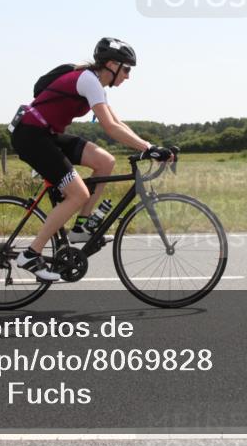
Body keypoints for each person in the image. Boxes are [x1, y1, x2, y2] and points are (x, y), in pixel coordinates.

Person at [10, 38, 173, 281]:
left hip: (48, 134)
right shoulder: (88, 80)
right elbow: (109, 127)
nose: (128, 76)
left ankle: (80, 228)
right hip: (31, 136)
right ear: (111, 65)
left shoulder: (95, 84)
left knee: (105, 162)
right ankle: (32, 254)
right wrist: (149, 149)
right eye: (126, 69)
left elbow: (118, 123)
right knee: (78, 194)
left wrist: (150, 146)